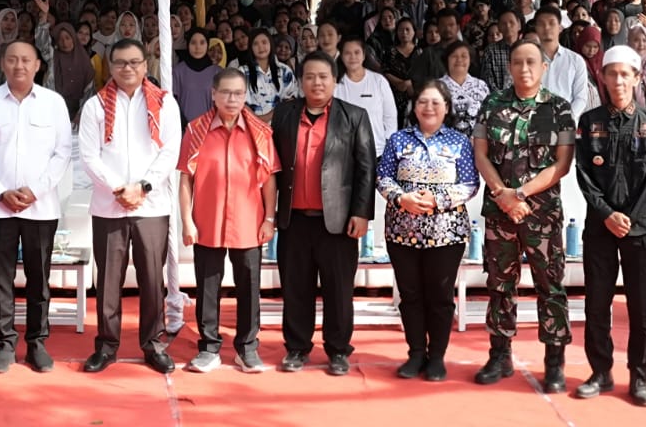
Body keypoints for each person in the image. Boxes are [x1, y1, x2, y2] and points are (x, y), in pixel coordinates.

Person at [471, 39, 575, 392]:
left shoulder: (558, 108)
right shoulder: (492, 104)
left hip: (541, 213)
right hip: (501, 212)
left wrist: (520, 194)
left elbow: (561, 165)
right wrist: (502, 194)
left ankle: (554, 362)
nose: (525, 68)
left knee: (551, 286)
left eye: (532, 62)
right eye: (518, 62)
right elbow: (481, 154)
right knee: (500, 283)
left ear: (544, 67)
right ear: (510, 66)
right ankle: (500, 354)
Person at [77, 38, 184, 374]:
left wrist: (143, 187)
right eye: (121, 62)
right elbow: (89, 156)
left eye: (135, 62)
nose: (128, 69)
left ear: (145, 64)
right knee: (109, 280)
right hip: (110, 205)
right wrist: (118, 188)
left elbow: (170, 151)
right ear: (110, 65)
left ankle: (153, 343)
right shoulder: (95, 106)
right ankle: (107, 346)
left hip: (151, 207)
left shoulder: (165, 104)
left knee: (153, 279)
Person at [0, 41, 74, 374]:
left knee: (38, 277)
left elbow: (62, 153)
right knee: (0, 279)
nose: (19, 66)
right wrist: (0, 192)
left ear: (38, 65)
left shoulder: (53, 104)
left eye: (26, 60)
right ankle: (4, 344)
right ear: (2, 64)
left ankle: (37, 343)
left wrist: (36, 191)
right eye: (12, 60)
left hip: (40, 208)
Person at [270, 52, 376, 377]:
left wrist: (361, 213)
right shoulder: (285, 115)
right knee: (296, 288)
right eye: (310, 77)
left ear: (334, 80)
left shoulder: (354, 116)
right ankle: (297, 347)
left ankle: (338, 349)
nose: (317, 82)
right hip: (294, 220)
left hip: (339, 222)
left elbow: (366, 168)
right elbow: (272, 165)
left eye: (323, 77)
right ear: (301, 82)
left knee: (339, 290)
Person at [572, 46, 646, 406]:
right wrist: (607, 214)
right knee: (598, 304)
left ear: (636, 77)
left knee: (642, 308)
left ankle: (640, 375)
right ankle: (600, 371)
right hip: (600, 229)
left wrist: (629, 215)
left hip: (641, 231)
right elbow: (583, 175)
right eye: (611, 73)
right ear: (603, 78)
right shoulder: (589, 122)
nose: (618, 80)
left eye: (625, 73)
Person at [375, 79, 478, 382]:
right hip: (402, 232)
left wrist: (440, 200)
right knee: (411, 295)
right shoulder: (397, 140)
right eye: (423, 101)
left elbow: (470, 184)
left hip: (446, 234)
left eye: (436, 102)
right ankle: (415, 352)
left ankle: (437, 357)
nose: (428, 107)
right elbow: (383, 177)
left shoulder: (459, 142)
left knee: (441, 296)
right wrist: (401, 198)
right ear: (413, 106)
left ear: (446, 107)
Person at [178, 68, 278, 374]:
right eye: (226, 93)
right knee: (208, 287)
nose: (232, 99)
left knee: (249, 287)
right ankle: (208, 348)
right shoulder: (196, 130)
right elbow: (186, 179)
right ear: (214, 94)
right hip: (207, 222)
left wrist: (269, 219)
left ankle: (247, 349)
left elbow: (270, 180)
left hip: (249, 223)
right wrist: (186, 221)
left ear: (245, 95)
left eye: (238, 93)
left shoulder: (260, 132)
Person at [335, 37, 397, 155]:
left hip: (377, 150)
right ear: (341, 57)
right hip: (346, 153)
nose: (352, 57)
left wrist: (389, 143)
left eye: (357, 52)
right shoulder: (336, 85)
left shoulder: (378, 81)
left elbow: (390, 116)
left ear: (364, 55)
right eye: (347, 53)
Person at [535, 8, 590, 119]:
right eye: (541, 24)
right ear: (535, 28)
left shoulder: (576, 60)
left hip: (566, 125)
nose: (546, 28)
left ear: (560, 27)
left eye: (551, 23)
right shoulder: (528, 60)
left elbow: (581, 98)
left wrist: (567, 118)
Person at [172, 28, 221, 124]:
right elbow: (172, 102)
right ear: (188, 45)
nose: (197, 47)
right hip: (185, 129)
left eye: (202, 43)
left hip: (211, 129)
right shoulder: (178, 71)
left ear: (207, 45)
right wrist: (183, 123)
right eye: (193, 43)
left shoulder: (218, 72)